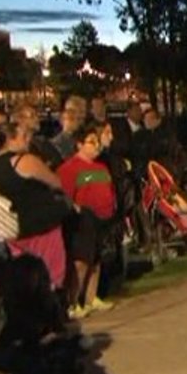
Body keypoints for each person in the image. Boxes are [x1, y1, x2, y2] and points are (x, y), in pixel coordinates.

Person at [0, 121, 73, 303]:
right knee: (51, 274)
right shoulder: (24, 160)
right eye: (24, 137)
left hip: (14, 229)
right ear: (10, 139)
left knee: (25, 278)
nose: (29, 141)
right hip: (41, 226)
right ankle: (53, 313)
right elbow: (56, 181)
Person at [58, 123, 118, 318]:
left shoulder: (101, 166)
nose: (96, 146)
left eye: (97, 142)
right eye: (91, 143)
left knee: (96, 260)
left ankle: (91, 298)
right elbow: (64, 195)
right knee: (81, 261)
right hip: (83, 220)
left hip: (103, 219)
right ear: (79, 145)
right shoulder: (69, 168)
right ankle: (73, 302)